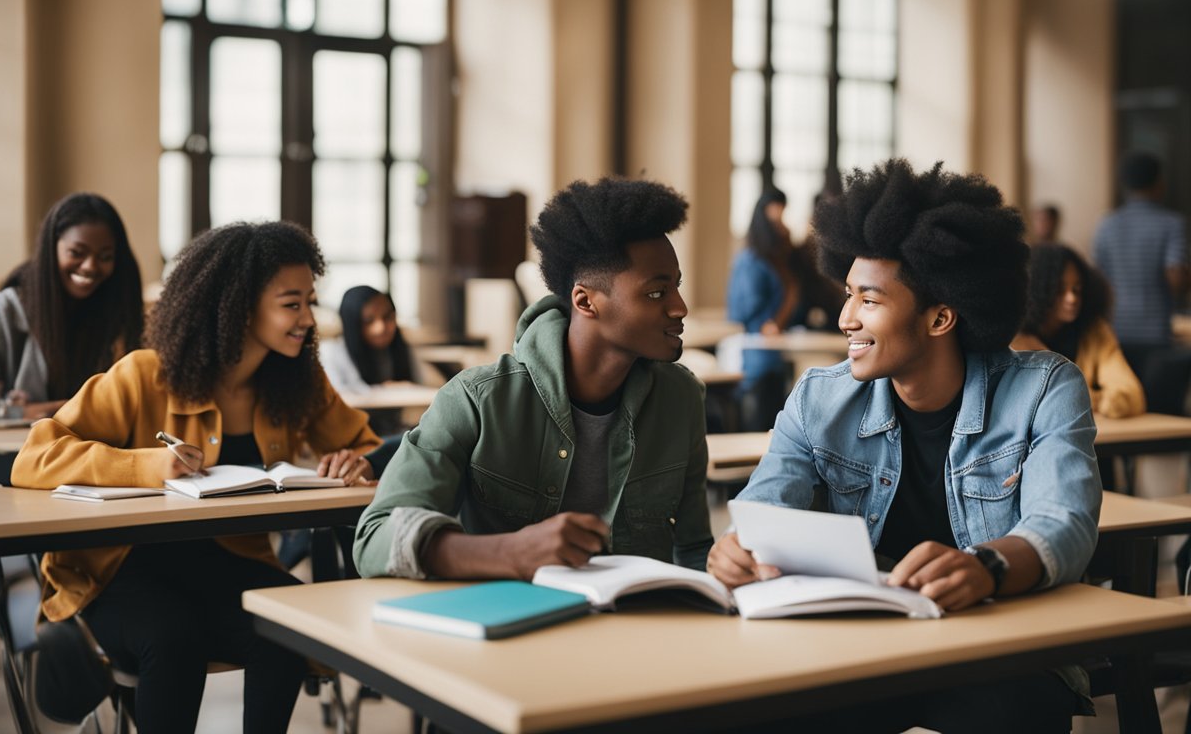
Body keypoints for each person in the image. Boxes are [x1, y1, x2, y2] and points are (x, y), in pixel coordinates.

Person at [708, 160, 1101, 732]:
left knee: (1016, 714)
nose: (845, 319)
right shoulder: (818, 399)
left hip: (998, 654)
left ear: (941, 316)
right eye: (846, 295)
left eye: (868, 300)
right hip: (861, 648)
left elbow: (1064, 523)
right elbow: (767, 505)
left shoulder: (1044, 388)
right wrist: (738, 547)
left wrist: (986, 567)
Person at [11, 221, 382, 734]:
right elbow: (33, 457)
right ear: (239, 305)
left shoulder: (297, 381)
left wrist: (360, 462)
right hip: (117, 574)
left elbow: (367, 446)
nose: (308, 319)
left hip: (224, 564)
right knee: (172, 637)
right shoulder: (144, 375)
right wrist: (147, 465)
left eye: (310, 302)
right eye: (291, 304)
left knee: (290, 624)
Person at [353, 176, 713, 581]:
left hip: (638, 630)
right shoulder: (476, 401)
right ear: (585, 301)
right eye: (655, 293)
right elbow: (374, 538)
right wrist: (509, 553)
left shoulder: (680, 396)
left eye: (676, 288)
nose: (679, 308)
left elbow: (695, 547)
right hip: (505, 631)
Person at [0, 192, 143, 419]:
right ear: (51, 249)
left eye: (105, 257)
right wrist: (23, 410)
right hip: (15, 451)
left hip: (94, 449)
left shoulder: (120, 313)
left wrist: (33, 410)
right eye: (76, 253)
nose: (90, 266)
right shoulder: (7, 309)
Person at [1094, 151, 1191, 414]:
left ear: (1124, 184)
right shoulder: (1171, 224)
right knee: (1160, 410)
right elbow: (1175, 275)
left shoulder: (1107, 225)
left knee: (1123, 407)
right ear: (1159, 182)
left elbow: (1099, 281)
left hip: (1116, 334)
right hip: (1156, 334)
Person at [1013, 243, 1145, 420]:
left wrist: (1098, 402)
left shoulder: (1095, 331)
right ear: (1037, 292)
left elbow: (1131, 393)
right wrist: (1092, 399)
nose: (1072, 298)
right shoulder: (1014, 339)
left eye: (1077, 289)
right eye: (1060, 290)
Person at [727, 188, 797, 431]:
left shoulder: (775, 257)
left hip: (775, 355)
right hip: (759, 354)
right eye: (775, 211)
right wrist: (767, 321)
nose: (780, 218)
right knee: (761, 421)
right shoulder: (750, 260)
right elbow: (743, 308)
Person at [321, 286, 420, 435]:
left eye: (388, 317)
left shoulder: (398, 349)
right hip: (349, 435)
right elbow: (341, 399)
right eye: (368, 320)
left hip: (390, 431)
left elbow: (416, 388)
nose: (381, 328)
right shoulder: (332, 352)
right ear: (352, 323)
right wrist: (385, 390)